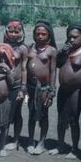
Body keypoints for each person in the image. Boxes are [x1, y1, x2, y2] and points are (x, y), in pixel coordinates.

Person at [49, 23, 81, 159]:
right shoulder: (67, 50)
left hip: (76, 91)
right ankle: (60, 145)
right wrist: (62, 52)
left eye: (75, 37)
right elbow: (58, 64)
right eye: (69, 37)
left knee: (74, 120)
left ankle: (74, 149)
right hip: (63, 89)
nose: (71, 40)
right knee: (61, 118)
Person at [26, 20, 57, 155]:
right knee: (31, 114)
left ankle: (41, 143)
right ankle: (30, 141)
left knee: (43, 115)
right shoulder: (30, 48)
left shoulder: (51, 51)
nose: (40, 36)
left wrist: (52, 90)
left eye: (43, 34)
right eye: (37, 34)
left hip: (44, 88)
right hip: (31, 87)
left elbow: (53, 71)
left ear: (48, 35)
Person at [2, 19, 28, 151]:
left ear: (22, 33)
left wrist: (23, 88)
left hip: (17, 85)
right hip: (2, 84)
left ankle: (16, 140)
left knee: (17, 112)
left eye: (16, 32)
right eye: (10, 31)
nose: (13, 34)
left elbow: (24, 68)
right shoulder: (1, 45)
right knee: (3, 111)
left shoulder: (23, 48)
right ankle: (3, 137)